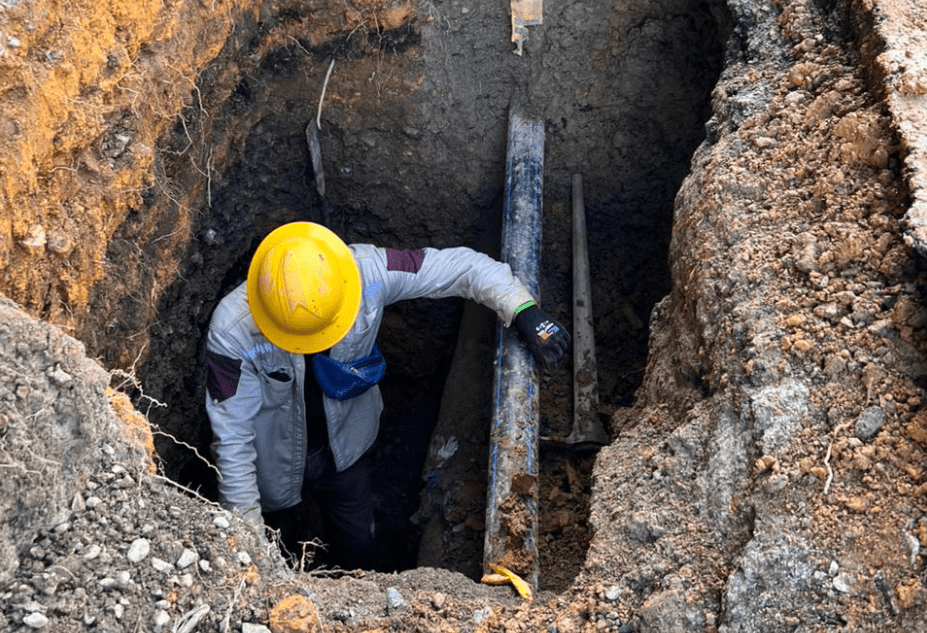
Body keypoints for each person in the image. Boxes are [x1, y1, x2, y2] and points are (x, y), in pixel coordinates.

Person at [204, 221, 569, 569]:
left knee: (358, 547)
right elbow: (233, 439)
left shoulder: (367, 274)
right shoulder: (233, 330)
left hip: (345, 448)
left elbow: (462, 268)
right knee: (275, 544)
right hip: (271, 462)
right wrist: (247, 546)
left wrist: (521, 307)